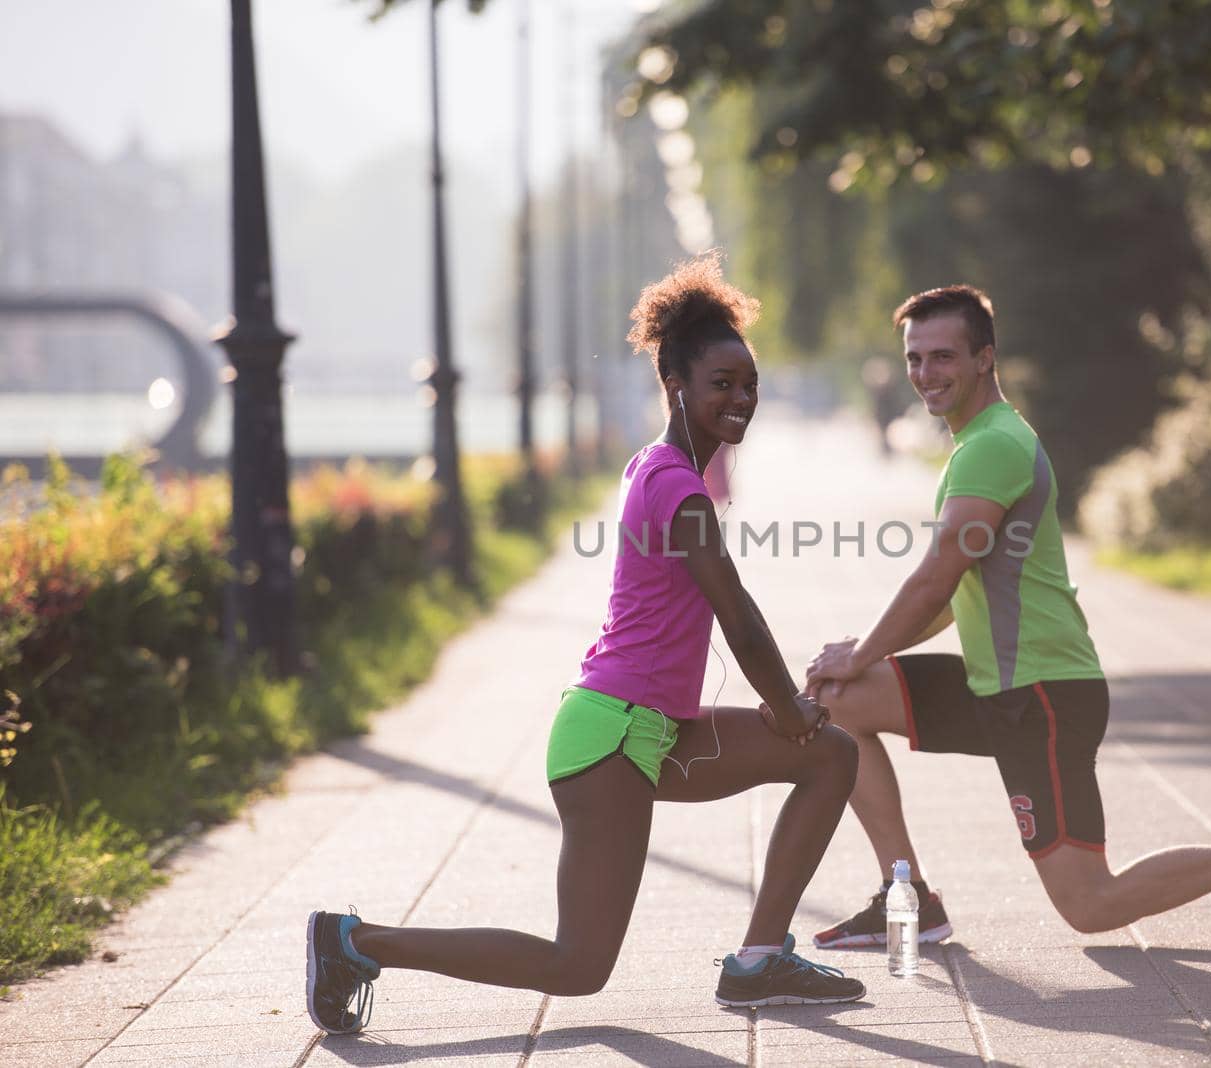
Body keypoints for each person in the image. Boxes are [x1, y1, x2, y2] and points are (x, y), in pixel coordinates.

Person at [306, 254, 865, 1035]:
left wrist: (796, 720)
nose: (741, 398)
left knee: (831, 755)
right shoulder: (675, 483)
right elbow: (736, 612)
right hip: (612, 737)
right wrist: (787, 708)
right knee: (579, 967)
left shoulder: (663, 467)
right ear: (677, 386)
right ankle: (352, 941)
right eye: (722, 384)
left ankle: (759, 959)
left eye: (749, 383)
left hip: (652, 728)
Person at [805, 284, 1211, 951]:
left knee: (1091, 905)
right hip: (997, 686)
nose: (926, 374)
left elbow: (935, 576)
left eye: (943, 356)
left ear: (985, 358)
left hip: (1043, 695)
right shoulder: (976, 442)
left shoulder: (992, 446)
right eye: (916, 358)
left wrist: (861, 651)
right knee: (841, 703)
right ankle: (907, 895)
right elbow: (951, 597)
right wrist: (859, 661)